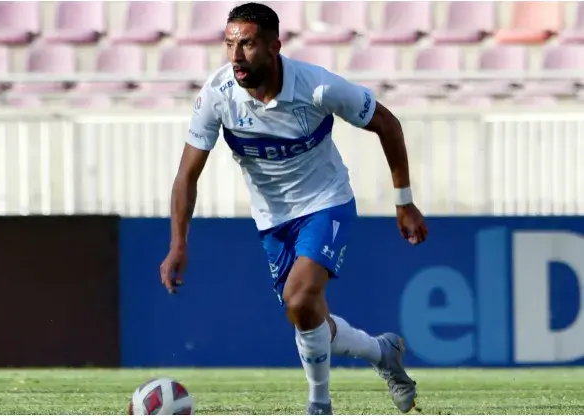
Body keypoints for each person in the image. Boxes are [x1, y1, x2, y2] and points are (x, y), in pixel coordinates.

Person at [159, 2, 428, 414]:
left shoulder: (317, 87)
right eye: (229, 44)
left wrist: (404, 202)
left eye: (247, 45)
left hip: (326, 203)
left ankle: (319, 405)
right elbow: (186, 175)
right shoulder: (217, 95)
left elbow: (387, 124)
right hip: (272, 221)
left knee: (299, 300)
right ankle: (381, 351)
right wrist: (178, 243)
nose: (235, 55)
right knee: (308, 317)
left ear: (274, 46)